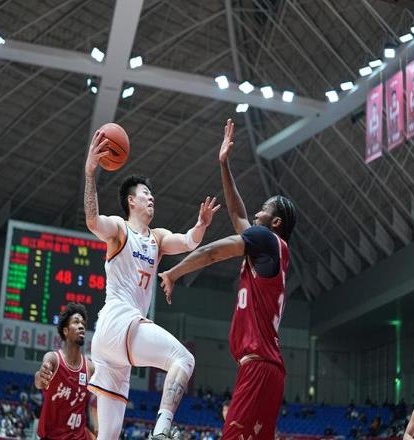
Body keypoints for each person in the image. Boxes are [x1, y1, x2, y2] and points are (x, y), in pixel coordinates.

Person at [159, 119, 296, 440]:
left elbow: (211, 253)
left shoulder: (266, 240)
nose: (256, 214)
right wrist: (224, 164)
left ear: (275, 222)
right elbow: (238, 215)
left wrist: (174, 272)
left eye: (263, 210)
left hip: (259, 367)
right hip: (266, 368)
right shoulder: (270, 249)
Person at [83, 129, 220, 439]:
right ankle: (160, 432)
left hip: (111, 344)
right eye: (145, 193)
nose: (151, 197)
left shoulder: (157, 237)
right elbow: (92, 221)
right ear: (131, 201)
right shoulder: (119, 228)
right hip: (119, 320)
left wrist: (200, 226)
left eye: (151, 193)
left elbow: (187, 242)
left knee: (107, 437)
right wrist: (90, 172)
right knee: (184, 359)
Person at [35, 302, 95, 439]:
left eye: (83, 324)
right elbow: (39, 380)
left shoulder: (90, 368)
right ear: (66, 331)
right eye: (76, 322)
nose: (81, 326)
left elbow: (92, 407)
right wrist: (41, 377)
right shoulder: (53, 359)